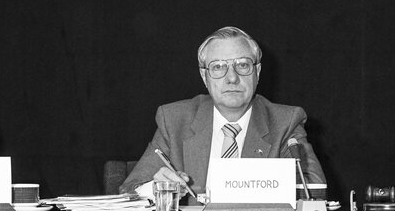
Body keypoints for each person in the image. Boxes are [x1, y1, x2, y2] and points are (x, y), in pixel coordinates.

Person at [121, 26, 325, 197]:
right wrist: (158, 189)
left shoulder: (285, 122)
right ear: (204, 76)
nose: (232, 78)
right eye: (218, 67)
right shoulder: (175, 120)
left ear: (258, 72)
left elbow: (314, 191)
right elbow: (129, 191)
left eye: (243, 65)